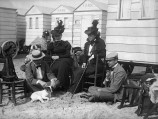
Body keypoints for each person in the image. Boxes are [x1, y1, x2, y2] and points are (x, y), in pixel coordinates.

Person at [66, 20, 106, 95]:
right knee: (76, 70)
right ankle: (75, 88)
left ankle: (73, 90)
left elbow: (103, 53)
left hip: (97, 64)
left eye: (91, 35)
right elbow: (85, 55)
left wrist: (94, 56)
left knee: (80, 71)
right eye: (88, 35)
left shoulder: (100, 42)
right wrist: (84, 62)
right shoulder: (87, 44)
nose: (89, 37)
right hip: (88, 64)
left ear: (95, 35)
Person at [47, 20, 73, 91]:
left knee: (63, 64)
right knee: (58, 65)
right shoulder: (51, 44)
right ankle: (56, 83)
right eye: (56, 36)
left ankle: (60, 83)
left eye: (58, 36)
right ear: (54, 36)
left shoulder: (66, 43)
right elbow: (47, 55)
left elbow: (68, 54)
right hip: (55, 61)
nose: (57, 37)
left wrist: (59, 56)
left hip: (66, 59)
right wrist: (51, 57)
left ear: (61, 35)